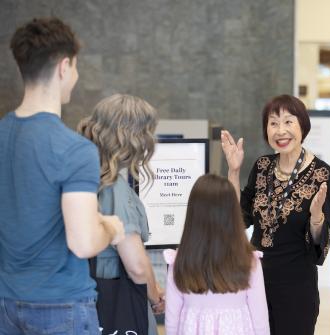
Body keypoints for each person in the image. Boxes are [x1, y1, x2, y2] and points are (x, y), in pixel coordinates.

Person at [0, 17, 124, 334]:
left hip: (6, 302)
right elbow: (83, 243)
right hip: (61, 306)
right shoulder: (74, 149)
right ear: (64, 67)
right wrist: (110, 228)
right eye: (77, 68)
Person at [221, 94, 330, 334]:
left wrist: (317, 217)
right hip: (255, 283)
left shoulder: (322, 174)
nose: (280, 131)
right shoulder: (262, 166)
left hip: (296, 288)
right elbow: (237, 218)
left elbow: (318, 242)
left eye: (288, 122)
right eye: (273, 123)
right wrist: (233, 172)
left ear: (302, 125)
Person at [78, 94, 165, 335]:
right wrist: (156, 296)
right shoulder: (115, 188)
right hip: (121, 302)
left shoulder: (83, 176)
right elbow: (136, 264)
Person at [163, 174, 270, 335]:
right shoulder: (248, 261)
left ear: (193, 214)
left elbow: (172, 321)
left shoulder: (179, 261)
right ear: (233, 214)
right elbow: (260, 321)